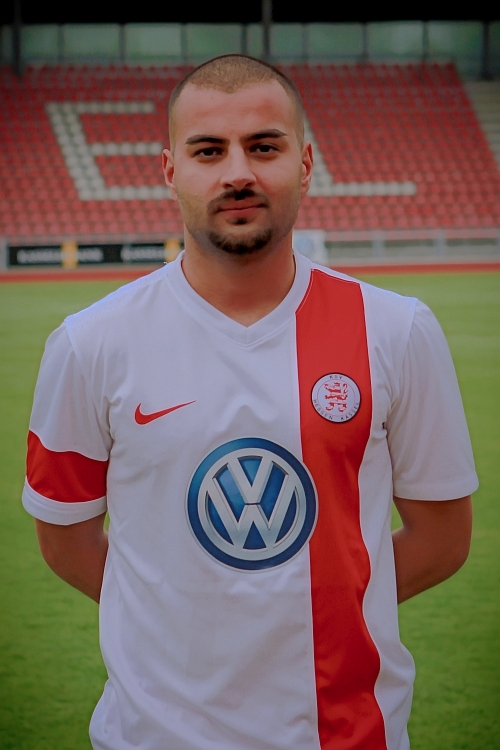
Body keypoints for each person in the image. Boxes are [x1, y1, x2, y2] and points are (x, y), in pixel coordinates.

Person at [24, 55, 478, 750]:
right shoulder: (88, 344)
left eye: (264, 147)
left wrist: (312, 607)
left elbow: (442, 540)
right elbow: (66, 540)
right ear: (170, 170)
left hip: (349, 734)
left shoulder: (397, 330)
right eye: (208, 151)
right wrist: (183, 612)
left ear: (305, 163)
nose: (238, 172)